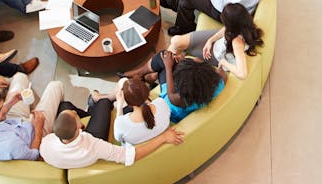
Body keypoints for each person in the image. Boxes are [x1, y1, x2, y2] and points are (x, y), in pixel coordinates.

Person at [40, 91, 184, 169]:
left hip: (70, 154)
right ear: (79, 128)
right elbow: (131, 156)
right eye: (76, 116)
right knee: (104, 103)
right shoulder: (95, 146)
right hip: (86, 148)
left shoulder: (46, 145)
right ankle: (98, 101)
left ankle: (92, 107)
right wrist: (163, 138)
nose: (74, 113)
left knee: (65, 104)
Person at [0, 74, 64, 161]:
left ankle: (34, 106)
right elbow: (33, 156)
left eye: (2, 106)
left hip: (12, 121)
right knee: (56, 85)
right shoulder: (8, 144)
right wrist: (39, 128)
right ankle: (58, 115)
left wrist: (9, 104)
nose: (3, 108)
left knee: (20, 76)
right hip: (34, 134)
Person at [121, 50, 227, 123]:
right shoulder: (219, 81)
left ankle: (143, 76)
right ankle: (145, 76)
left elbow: (171, 94)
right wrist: (184, 60)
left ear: (183, 84)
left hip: (170, 108)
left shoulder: (179, 99)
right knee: (168, 57)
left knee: (164, 59)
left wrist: (168, 67)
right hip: (193, 88)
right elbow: (211, 69)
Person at [168, 3, 263, 80]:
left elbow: (243, 74)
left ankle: (166, 70)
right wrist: (210, 40)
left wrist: (223, 62)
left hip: (216, 55)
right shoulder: (242, 23)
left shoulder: (237, 43)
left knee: (176, 46)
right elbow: (225, 29)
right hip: (218, 41)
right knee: (175, 40)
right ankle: (168, 64)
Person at [113, 78, 170, 145]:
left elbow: (118, 139)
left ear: (128, 104)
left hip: (140, 153)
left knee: (122, 81)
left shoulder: (121, 124)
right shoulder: (161, 103)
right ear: (147, 92)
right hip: (164, 146)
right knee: (124, 80)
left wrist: (119, 105)